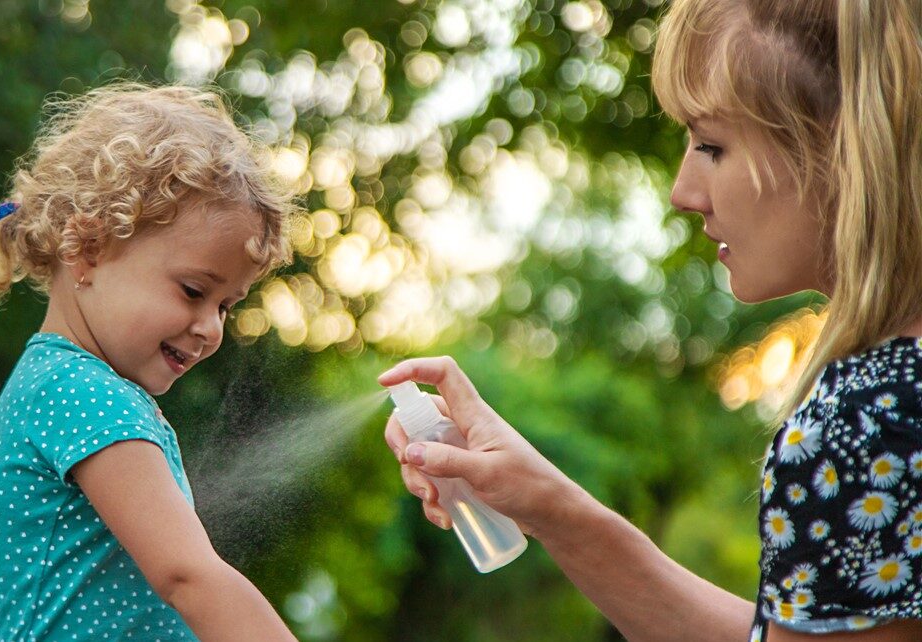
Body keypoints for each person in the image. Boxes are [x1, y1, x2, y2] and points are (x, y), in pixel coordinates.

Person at [381, 1, 922, 640]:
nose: (683, 192)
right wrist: (548, 505)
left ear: (848, 146)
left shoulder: (863, 424)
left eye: (713, 145)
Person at [0, 83, 298, 641]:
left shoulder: (65, 384)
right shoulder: (81, 392)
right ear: (87, 249)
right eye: (192, 290)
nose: (211, 328)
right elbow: (188, 576)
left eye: (227, 306)